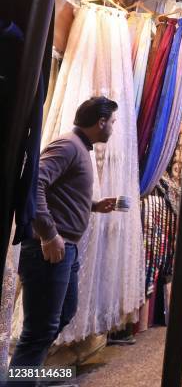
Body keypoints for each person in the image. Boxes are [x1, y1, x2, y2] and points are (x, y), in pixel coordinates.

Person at [9, 97, 119, 370]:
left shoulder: (80, 148)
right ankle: (20, 378)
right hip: (48, 251)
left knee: (63, 314)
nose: (114, 128)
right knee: (39, 332)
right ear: (101, 121)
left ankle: (24, 374)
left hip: (65, 251)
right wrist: (48, 234)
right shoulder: (68, 145)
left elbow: (59, 192)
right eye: (112, 122)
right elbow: (35, 184)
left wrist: (93, 206)